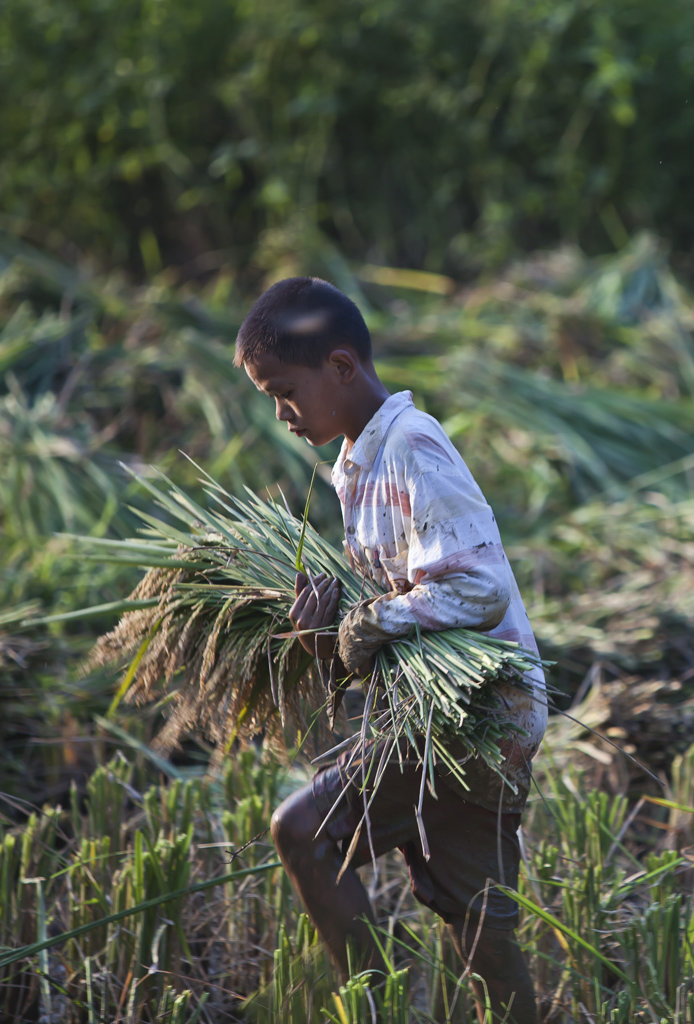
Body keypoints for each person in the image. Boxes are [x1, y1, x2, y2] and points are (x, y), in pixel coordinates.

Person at [234, 276, 547, 1023]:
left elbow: (476, 590)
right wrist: (328, 635)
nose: (280, 414)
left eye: (284, 391)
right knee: (477, 926)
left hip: (478, 718)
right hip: (433, 719)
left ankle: (376, 1005)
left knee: (309, 836)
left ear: (340, 368)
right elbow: (401, 597)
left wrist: (367, 624)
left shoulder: (411, 445)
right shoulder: (357, 463)